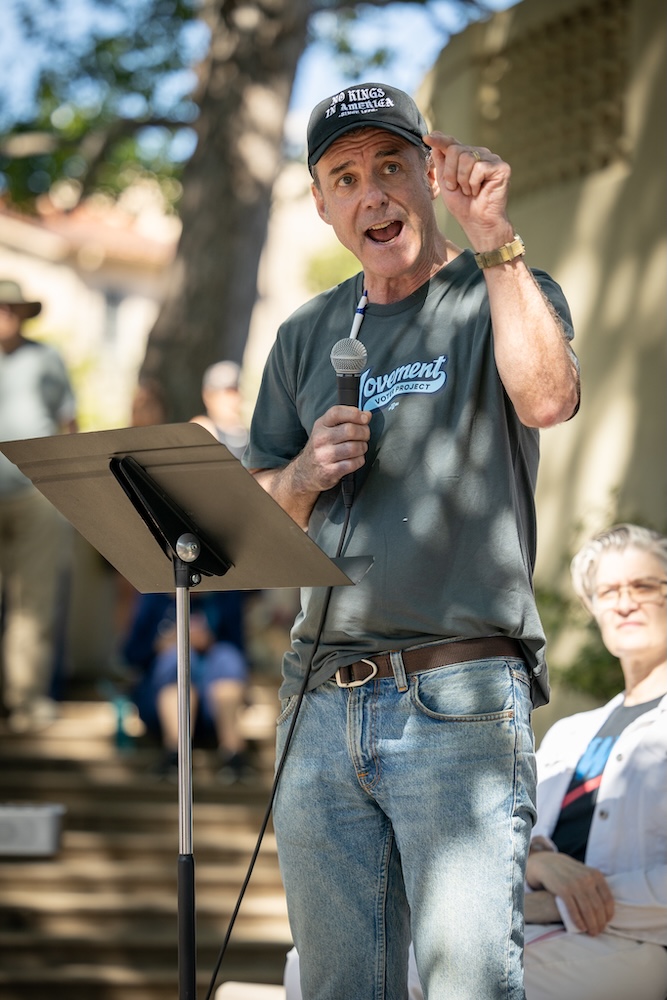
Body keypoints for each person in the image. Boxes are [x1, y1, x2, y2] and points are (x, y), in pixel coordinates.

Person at [243, 82, 580, 999]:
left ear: (429, 175)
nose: (372, 194)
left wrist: (494, 239)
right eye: (345, 178)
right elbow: (257, 524)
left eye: (391, 166)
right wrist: (302, 476)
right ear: (322, 205)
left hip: (458, 692)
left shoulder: (502, 286)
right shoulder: (305, 334)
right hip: (320, 700)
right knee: (338, 987)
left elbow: (548, 399)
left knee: (469, 983)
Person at [284, 523, 667, 999]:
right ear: (592, 607)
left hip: (632, 942)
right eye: (608, 591)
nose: (624, 603)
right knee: (315, 963)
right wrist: (539, 866)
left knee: (436, 978)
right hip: (547, 930)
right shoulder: (572, 732)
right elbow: (508, 841)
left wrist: (558, 905)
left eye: (644, 586)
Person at [0, 279, 77, 732]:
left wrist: (71, 486)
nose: (6, 315)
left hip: (37, 493)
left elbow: (69, 421)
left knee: (36, 602)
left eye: (12, 308)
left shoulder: (47, 357)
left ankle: (25, 701)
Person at [121, 589, 254, 783]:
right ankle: (176, 755)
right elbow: (131, 653)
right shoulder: (154, 595)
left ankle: (234, 755)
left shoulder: (225, 596)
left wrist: (208, 643)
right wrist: (164, 643)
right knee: (177, 659)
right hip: (162, 700)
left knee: (228, 658)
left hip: (212, 703)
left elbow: (239, 649)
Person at [190, 360, 248, 459]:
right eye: (228, 392)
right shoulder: (202, 428)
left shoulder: (251, 430)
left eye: (237, 391)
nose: (234, 398)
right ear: (208, 396)